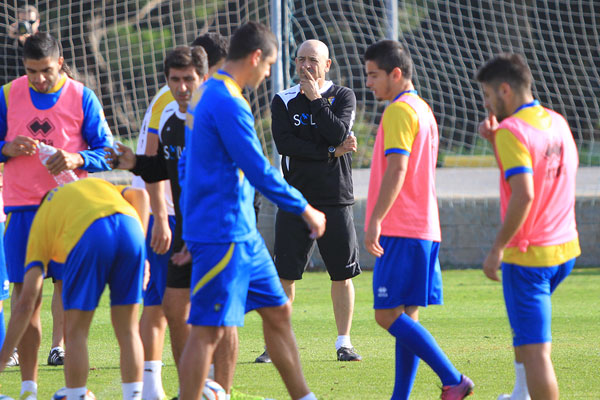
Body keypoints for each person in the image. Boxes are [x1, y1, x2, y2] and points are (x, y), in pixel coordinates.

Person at [176, 21, 325, 400]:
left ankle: (304, 397)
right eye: (270, 64)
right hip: (221, 232)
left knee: (278, 313)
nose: (270, 72)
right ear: (256, 57)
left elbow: (187, 164)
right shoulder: (226, 100)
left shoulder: (206, 92)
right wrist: (305, 208)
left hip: (243, 234)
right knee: (208, 329)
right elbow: (258, 168)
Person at [107, 41, 237, 398]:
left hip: (219, 228)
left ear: (203, 77)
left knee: (222, 312)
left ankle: (222, 390)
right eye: (175, 79)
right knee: (174, 307)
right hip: (184, 228)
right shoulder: (168, 119)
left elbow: (243, 171)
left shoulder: (221, 112)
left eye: (189, 79)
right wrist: (131, 161)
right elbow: (160, 170)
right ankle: (190, 389)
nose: (181, 87)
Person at [0, 31, 113, 399]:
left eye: (46, 70)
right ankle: (28, 385)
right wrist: (6, 148)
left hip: (69, 209)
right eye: (31, 71)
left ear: (60, 63)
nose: (38, 78)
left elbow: (108, 151)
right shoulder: (7, 94)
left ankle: (61, 353)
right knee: (24, 295)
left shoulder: (82, 96)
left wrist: (78, 158)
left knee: (67, 287)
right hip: (23, 210)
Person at [363, 39, 474, 400]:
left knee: (385, 315)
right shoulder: (423, 109)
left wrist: (376, 218)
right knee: (405, 317)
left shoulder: (398, 110)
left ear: (396, 74)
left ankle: (453, 378)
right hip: (423, 227)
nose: (369, 83)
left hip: (401, 227)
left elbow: (398, 169)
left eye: (374, 75)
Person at [476, 53, 580, 400]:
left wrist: (497, 249)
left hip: (529, 257)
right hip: (565, 249)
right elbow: (544, 174)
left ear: (505, 90)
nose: (487, 104)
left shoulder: (512, 130)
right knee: (525, 332)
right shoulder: (557, 122)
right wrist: (495, 143)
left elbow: (524, 195)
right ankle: (520, 394)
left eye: (488, 96)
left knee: (536, 351)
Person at [0, 177, 149, 400]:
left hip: (91, 233)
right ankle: (134, 396)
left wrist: (2, 358)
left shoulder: (40, 223)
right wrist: (143, 251)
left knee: (76, 330)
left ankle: (77, 395)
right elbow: (141, 196)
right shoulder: (89, 188)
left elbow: (26, 302)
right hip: (131, 228)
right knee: (128, 329)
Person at [261, 39, 361, 364]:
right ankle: (276, 344)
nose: (305, 66)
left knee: (341, 275)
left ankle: (344, 342)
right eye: (300, 59)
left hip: (336, 198)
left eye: (312, 60)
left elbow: (338, 130)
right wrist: (331, 152)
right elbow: (287, 145)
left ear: (327, 65)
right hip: (295, 200)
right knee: (285, 274)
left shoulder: (343, 96)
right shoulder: (283, 99)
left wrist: (317, 100)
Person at [0, 5, 40, 83]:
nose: (27, 25)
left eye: (31, 22)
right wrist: (11, 39)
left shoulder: (45, 40)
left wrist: (29, 44)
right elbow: (3, 66)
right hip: (13, 87)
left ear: (38, 22)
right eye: (23, 22)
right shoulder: (12, 41)